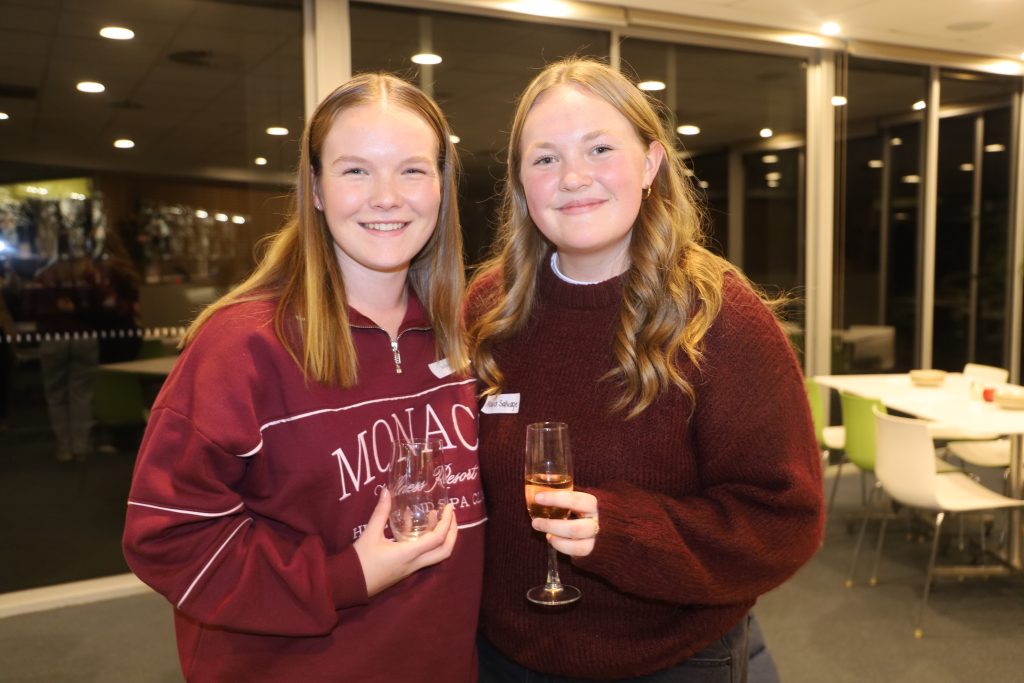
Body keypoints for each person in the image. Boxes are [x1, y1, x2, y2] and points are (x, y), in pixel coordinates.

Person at [465, 57, 823, 682]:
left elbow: (784, 520)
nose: (573, 177)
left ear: (651, 164)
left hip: (672, 662)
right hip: (503, 659)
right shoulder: (488, 309)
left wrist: (625, 533)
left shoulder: (719, 314)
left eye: (599, 149)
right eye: (545, 158)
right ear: (521, 184)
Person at [123, 73, 485, 683]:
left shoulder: (463, 333)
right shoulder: (242, 345)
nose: (386, 197)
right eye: (355, 170)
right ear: (315, 188)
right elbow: (167, 537)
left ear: (441, 188)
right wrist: (345, 577)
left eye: (412, 170)